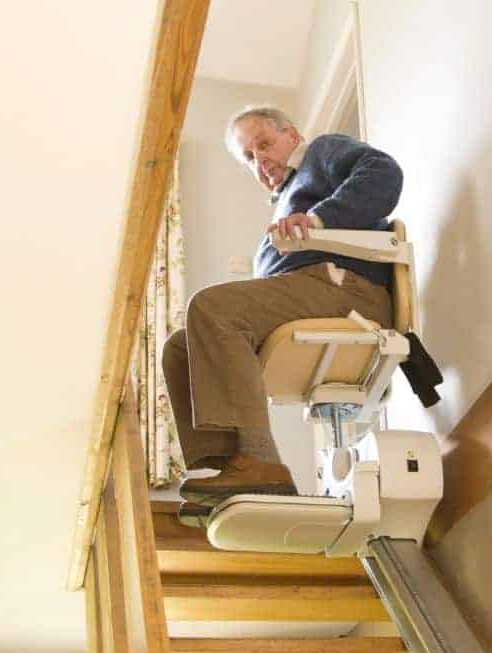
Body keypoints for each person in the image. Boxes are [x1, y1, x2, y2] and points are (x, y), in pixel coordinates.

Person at [162, 105, 403, 521]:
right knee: (181, 347)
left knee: (212, 307)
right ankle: (226, 465)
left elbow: (383, 172)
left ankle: (261, 463)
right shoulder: (284, 203)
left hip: (347, 291)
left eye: (264, 144)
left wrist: (318, 218)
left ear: (291, 135)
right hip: (311, 293)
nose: (261, 161)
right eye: (250, 158)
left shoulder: (321, 153)